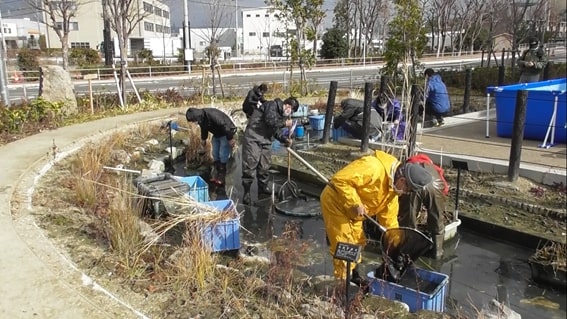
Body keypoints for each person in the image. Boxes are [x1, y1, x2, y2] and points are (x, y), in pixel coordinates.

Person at [320, 150, 433, 285]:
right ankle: (343, 285)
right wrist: (355, 202)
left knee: (358, 242)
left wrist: (396, 247)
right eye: (407, 190)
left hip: (355, 212)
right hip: (336, 203)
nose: (405, 193)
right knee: (344, 245)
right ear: (402, 180)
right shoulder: (373, 167)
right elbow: (340, 180)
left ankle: (354, 276)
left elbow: (390, 222)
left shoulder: (392, 191)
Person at [241, 97, 299, 205]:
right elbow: (270, 121)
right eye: (292, 111)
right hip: (253, 138)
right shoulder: (271, 105)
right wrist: (285, 124)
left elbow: (274, 131)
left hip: (265, 140)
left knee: (264, 166)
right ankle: (247, 192)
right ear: (288, 106)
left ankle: (263, 188)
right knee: (250, 165)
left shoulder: (280, 115)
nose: (290, 114)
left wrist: (284, 139)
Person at [398, 154, 449, 260]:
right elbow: (444, 187)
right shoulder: (433, 168)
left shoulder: (407, 168)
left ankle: (406, 254)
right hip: (435, 184)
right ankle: (438, 252)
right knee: (437, 221)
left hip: (411, 185)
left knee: (408, 222)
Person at [185, 108, 237, 186]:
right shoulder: (201, 119)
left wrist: (230, 138)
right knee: (215, 153)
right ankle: (216, 174)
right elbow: (204, 129)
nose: (193, 123)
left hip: (227, 132)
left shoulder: (212, 115)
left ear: (196, 117)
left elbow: (224, 125)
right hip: (217, 134)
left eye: (192, 121)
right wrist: (203, 139)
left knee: (222, 153)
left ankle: (222, 176)